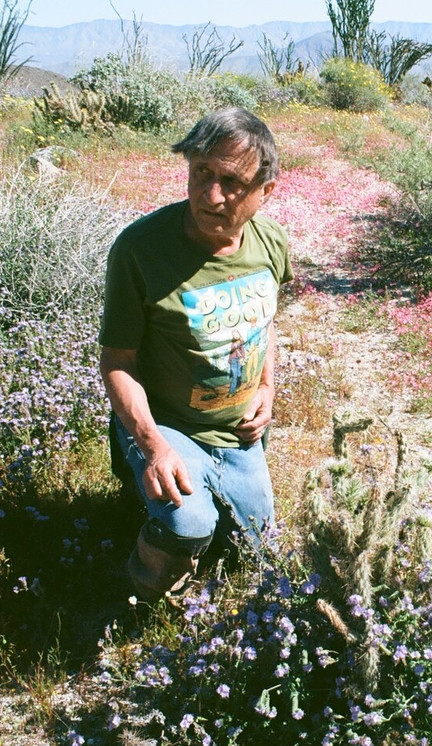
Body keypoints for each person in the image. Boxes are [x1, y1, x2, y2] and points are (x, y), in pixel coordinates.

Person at [99, 107, 292, 600]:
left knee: (258, 547)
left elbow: (263, 324)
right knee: (189, 526)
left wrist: (267, 386)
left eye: (232, 182)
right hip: (168, 426)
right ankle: (139, 589)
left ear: (265, 191)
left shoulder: (271, 243)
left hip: (238, 432)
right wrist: (152, 445)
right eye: (201, 173)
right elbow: (117, 361)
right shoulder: (140, 249)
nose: (211, 195)